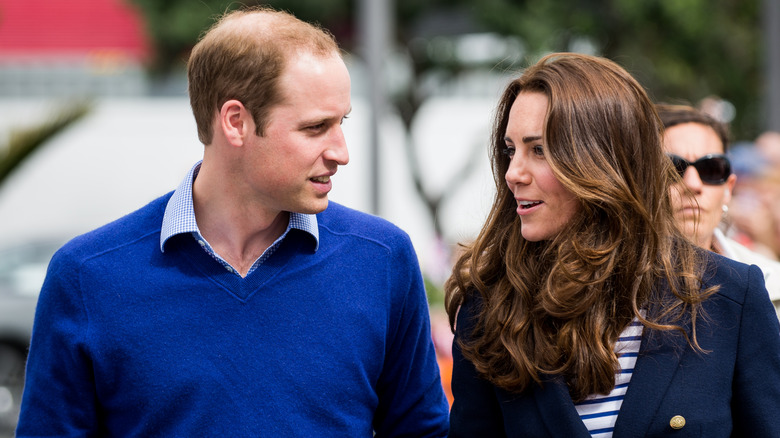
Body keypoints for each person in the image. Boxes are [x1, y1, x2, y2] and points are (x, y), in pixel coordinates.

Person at [16, 7, 449, 437]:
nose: (341, 151)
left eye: (342, 123)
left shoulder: (381, 260)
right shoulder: (87, 277)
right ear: (236, 122)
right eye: (316, 127)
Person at [445, 52, 780, 437]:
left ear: (606, 161)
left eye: (538, 149)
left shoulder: (730, 298)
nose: (513, 173)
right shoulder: (490, 307)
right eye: (510, 150)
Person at [657, 104, 780, 318]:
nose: (693, 184)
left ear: (728, 189)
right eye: (673, 168)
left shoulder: (772, 282)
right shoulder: (607, 288)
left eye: (711, 169)